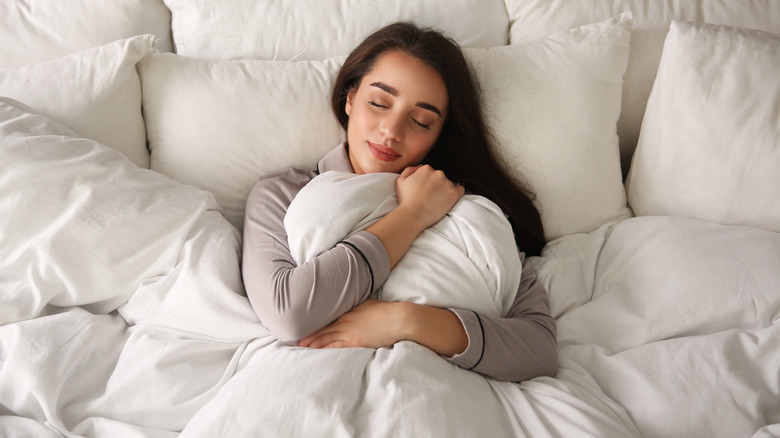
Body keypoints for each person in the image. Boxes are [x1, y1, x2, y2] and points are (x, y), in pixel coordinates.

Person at [242, 22, 557, 382]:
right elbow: (288, 312)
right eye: (378, 103)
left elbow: (539, 349)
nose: (391, 130)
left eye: (421, 121)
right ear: (349, 98)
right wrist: (410, 216)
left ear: (439, 135)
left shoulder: (465, 211)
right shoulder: (283, 193)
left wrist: (406, 321)